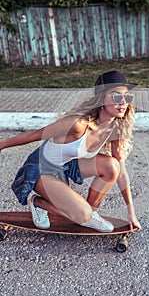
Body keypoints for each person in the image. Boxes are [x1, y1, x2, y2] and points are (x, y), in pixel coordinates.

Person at [0, 71, 141, 233]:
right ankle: (39, 203)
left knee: (113, 166)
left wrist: (131, 212)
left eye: (127, 97)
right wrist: (2, 145)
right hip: (41, 170)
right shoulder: (77, 124)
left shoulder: (115, 129)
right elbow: (35, 135)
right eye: (116, 96)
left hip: (67, 166)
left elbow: (121, 172)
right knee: (82, 214)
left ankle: (88, 213)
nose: (123, 102)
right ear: (101, 98)